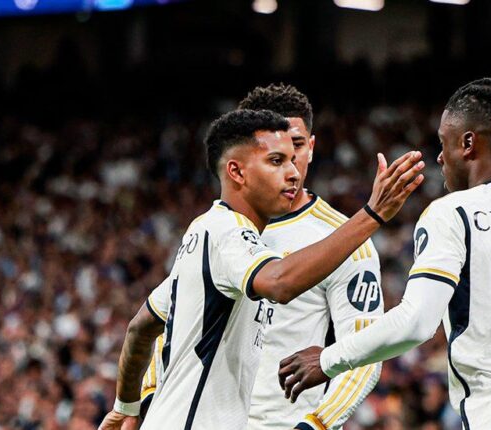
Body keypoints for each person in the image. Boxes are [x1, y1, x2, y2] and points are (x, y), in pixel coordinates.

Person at [278, 77, 491, 429]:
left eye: (442, 143)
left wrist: (327, 359)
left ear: (467, 143)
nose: (439, 156)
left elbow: (416, 322)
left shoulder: (455, 212)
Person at [97, 108, 424, 430]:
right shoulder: (227, 233)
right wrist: (372, 214)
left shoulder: (204, 232)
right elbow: (279, 283)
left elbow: (141, 327)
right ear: (237, 172)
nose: (293, 172)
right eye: (276, 161)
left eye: (294, 154)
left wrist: (127, 408)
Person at [239, 84, 383, 430]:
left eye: (298, 145)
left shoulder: (346, 240)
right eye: (273, 150)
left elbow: (366, 355)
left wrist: (315, 425)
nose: (289, 161)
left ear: (313, 148)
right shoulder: (220, 226)